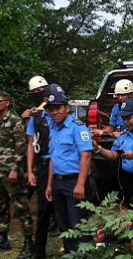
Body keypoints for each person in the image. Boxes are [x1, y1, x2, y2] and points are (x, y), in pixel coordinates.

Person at [44, 84, 93, 254]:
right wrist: (50, 184)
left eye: (58, 108)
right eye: (51, 109)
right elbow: (53, 158)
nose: (54, 112)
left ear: (66, 108)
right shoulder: (54, 129)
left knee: (78, 223)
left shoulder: (77, 127)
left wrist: (80, 184)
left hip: (74, 182)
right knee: (63, 223)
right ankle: (70, 253)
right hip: (58, 182)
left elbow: (86, 155)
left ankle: (82, 255)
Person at [0, 90, 33, 257]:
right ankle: (3, 240)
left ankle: (28, 243)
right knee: (0, 206)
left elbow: (21, 147)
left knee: (22, 208)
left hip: (13, 174)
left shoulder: (15, 121)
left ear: (7, 102)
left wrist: (14, 169)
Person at [25, 79, 55, 259]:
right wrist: (30, 170)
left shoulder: (64, 117)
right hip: (43, 166)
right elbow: (30, 144)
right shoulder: (36, 117)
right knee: (43, 210)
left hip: (62, 167)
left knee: (64, 209)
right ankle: (38, 251)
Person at [93, 99, 133, 205]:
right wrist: (98, 148)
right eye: (124, 119)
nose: (125, 122)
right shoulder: (123, 137)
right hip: (127, 180)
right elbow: (113, 156)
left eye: (128, 118)